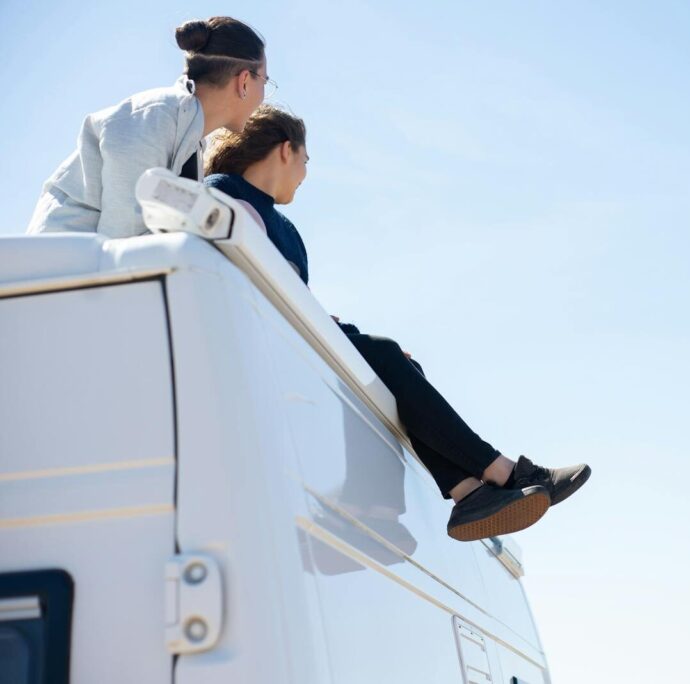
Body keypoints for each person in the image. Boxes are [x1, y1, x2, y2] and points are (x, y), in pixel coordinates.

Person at [203, 105, 592, 542]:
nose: (305, 175)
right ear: (286, 150)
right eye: (306, 162)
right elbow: (255, 285)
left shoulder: (284, 226)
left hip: (295, 334)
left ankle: (467, 493)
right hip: (264, 341)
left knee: (402, 365)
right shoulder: (223, 194)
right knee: (385, 352)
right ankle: (504, 472)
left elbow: (294, 298)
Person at [27, 17, 272, 238]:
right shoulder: (156, 115)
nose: (264, 95)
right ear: (244, 82)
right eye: (265, 80)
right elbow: (123, 242)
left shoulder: (186, 133)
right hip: (55, 274)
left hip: (80, 272)